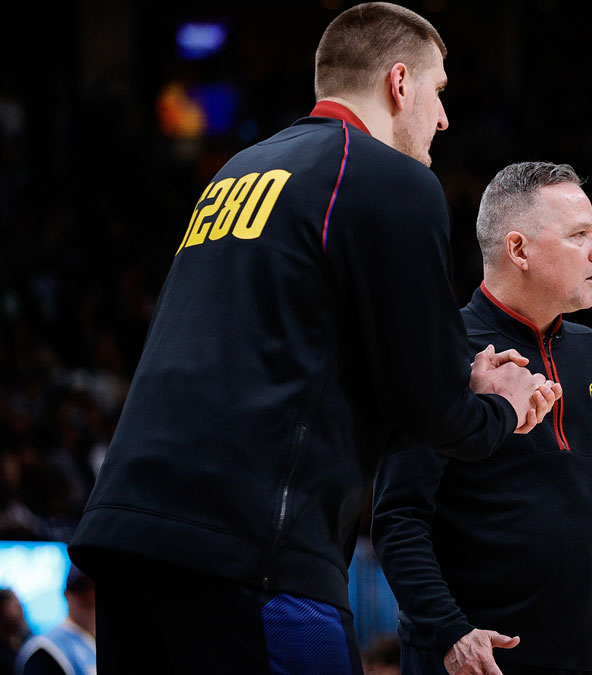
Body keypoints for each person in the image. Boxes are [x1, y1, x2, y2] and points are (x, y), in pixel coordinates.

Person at [68, 4, 559, 673]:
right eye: (439, 92)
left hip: (128, 543)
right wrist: (500, 404)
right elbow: (433, 411)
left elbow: (296, 348)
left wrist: (452, 374)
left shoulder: (237, 171)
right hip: (248, 554)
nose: (444, 118)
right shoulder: (393, 179)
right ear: (398, 84)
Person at [372, 162, 592, 675]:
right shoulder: (442, 351)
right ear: (519, 249)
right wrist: (450, 631)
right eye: (579, 235)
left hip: (578, 659)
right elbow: (398, 518)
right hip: (473, 658)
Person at [15, 567, 96, 675]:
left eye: (94, 587)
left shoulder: (95, 642)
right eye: (82, 588)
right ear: (67, 595)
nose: (90, 596)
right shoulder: (47, 650)